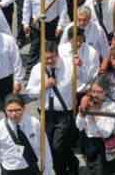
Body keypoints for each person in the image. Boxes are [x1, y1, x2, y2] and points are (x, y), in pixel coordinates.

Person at [26, 45, 76, 175]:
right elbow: (30, 93)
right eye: (45, 58)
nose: (48, 61)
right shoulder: (37, 69)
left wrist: (80, 66)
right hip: (46, 113)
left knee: (57, 146)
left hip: (64, 113)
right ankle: (72, 162)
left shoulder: (69, 65)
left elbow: (84, 79)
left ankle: (60, 171)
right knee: (49, 145)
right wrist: (44, 86)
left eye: (51, 58)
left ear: (57, 55)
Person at [0, 94, 53, 175]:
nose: (14, 114)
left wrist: (47, 170)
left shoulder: (34, 123)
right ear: (5, 110)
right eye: (10, 111)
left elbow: (45, 148)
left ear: (24, 108)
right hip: (9, 170)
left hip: (30, 168)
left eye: (17, 110)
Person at [75, 76, 115, 175]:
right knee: (91, 168)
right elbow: (79, 126)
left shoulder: (113, 108)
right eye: (93, 91)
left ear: (106, 92)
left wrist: (95, 113)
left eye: (99, 92)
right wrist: (82, 114)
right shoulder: (88, 103)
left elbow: (106, 132)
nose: (95, 95)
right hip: (89, 142)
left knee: (102, 170)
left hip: (104, 145)